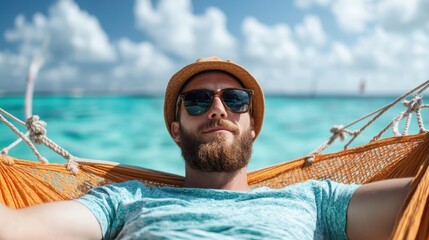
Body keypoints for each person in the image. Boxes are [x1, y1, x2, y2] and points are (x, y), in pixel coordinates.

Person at [0, 57, 413, 240]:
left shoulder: (316, 200)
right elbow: (15, 230)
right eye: (198, 101)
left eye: (235, 100)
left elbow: (420, 202)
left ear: (252, 127)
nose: (217, 110)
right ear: (176, 131)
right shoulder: (126, 200)